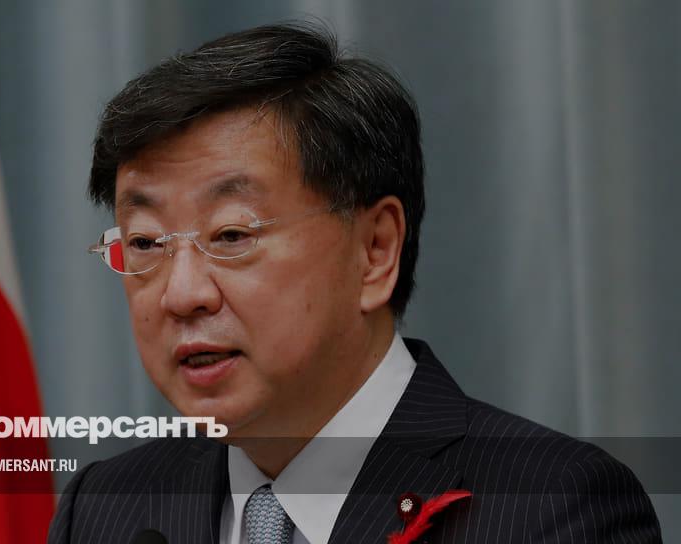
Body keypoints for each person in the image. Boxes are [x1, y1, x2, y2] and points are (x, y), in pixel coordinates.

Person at [48, 22, 661, 543]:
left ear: (375, 251)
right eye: (146, 243)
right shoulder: (104, 510)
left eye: (231, 234)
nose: (182, 295)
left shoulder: (553, 509)